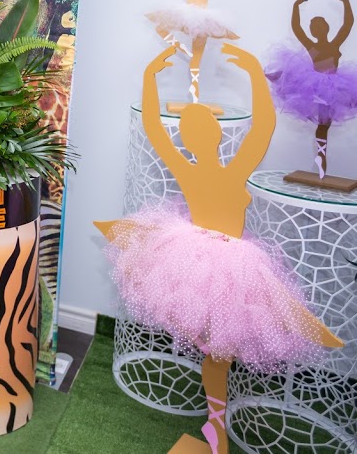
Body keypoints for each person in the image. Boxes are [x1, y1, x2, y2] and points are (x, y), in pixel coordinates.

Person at [96, 43, 341, 454]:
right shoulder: (230, 170)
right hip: (219, 264)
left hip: (202, 260)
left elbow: (155, 127)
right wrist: (254, 75)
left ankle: (215, 424)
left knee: (218, 352)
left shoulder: (189, 169)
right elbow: (262, 128)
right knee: (218, 352)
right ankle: (216, 424)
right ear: (211, 134)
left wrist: (151, 78)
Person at [266, 0, 356, 178]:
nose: (314, 29)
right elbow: (298, 28)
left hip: (329, 88)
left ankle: (321, 157)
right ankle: (321, 157)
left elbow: (347, 25)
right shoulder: (326, 46)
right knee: (323, 125)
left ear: (322, 30)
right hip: (316, 88)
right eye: (313, 26)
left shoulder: (325, 45)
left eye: (315, 26)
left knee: (324, 125)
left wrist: (346, 2)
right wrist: (295, 7)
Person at [146, 0, 238, 104]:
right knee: (160, 27)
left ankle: (195, 93)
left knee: (197, 58)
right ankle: (181, 48)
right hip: (188, 17)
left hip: (203, 22)